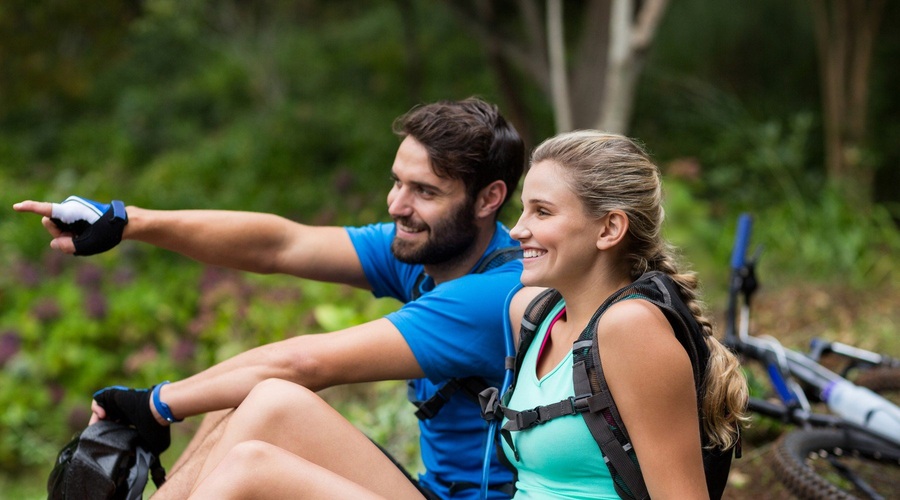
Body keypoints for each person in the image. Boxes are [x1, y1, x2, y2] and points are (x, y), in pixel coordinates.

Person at [173, 130, 750, 499]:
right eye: (524, 209)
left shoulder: (631, 328)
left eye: (543, 212)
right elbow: (282, 246)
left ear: (609, 228)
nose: (519, 229)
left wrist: (155, 405)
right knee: (268, 411)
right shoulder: (536, 313)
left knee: (252, 471)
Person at [13, 97, 526, 500]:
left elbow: (303, 363)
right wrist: (130, 222)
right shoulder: (425, 251)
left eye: (425, 192)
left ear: (488, 199)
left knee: (272, 402)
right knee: (233, 396)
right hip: (425, 490)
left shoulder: (497, 294)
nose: (397, 205)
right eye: (396, 183)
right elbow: (280, 244)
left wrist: (155, 404)